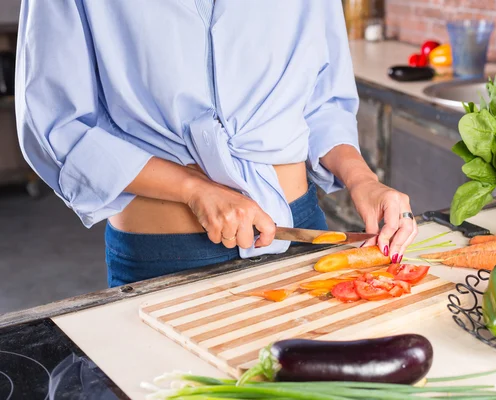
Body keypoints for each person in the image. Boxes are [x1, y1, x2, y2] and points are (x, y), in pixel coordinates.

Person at [15, 0, 417, 287]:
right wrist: (194, 191)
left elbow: (320, 100)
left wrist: (362, 179)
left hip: (302, 236)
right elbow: (58, 126)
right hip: (164, 259)